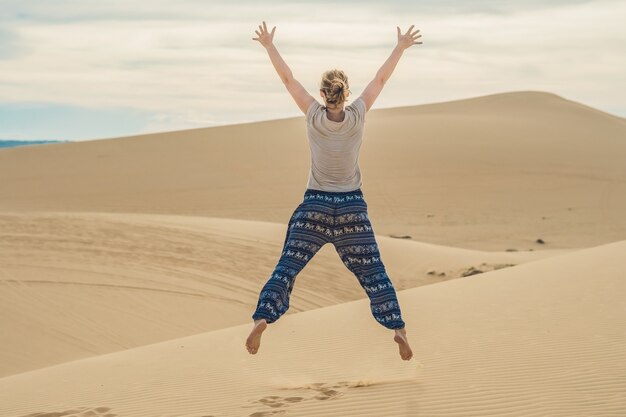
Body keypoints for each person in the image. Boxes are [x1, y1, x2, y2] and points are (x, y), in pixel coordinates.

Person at [246, 21, 422, 361]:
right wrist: (400, 47)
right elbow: (380, 80)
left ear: (324, 94)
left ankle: (262, 317)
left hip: (315, 207)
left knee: (287, 267)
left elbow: (288, 79)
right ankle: (398, 330)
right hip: (352, 210)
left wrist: (269, 46)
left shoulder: (313, 115)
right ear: (345, 92)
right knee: (374, 272)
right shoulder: (357, 115)